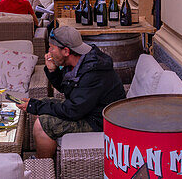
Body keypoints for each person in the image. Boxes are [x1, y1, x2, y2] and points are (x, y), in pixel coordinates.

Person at [21, 26, 125, 159]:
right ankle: (48, 157)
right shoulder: (77, 62)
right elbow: (68, 90)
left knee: (43, 123)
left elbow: (73, 110)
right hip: (88, 110)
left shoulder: (93, 73)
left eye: (52, 48)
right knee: (44, 104)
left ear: (65, 51)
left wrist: (34, 106)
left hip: (101, 121)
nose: (49, 52)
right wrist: (53, 71)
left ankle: (43, 162)